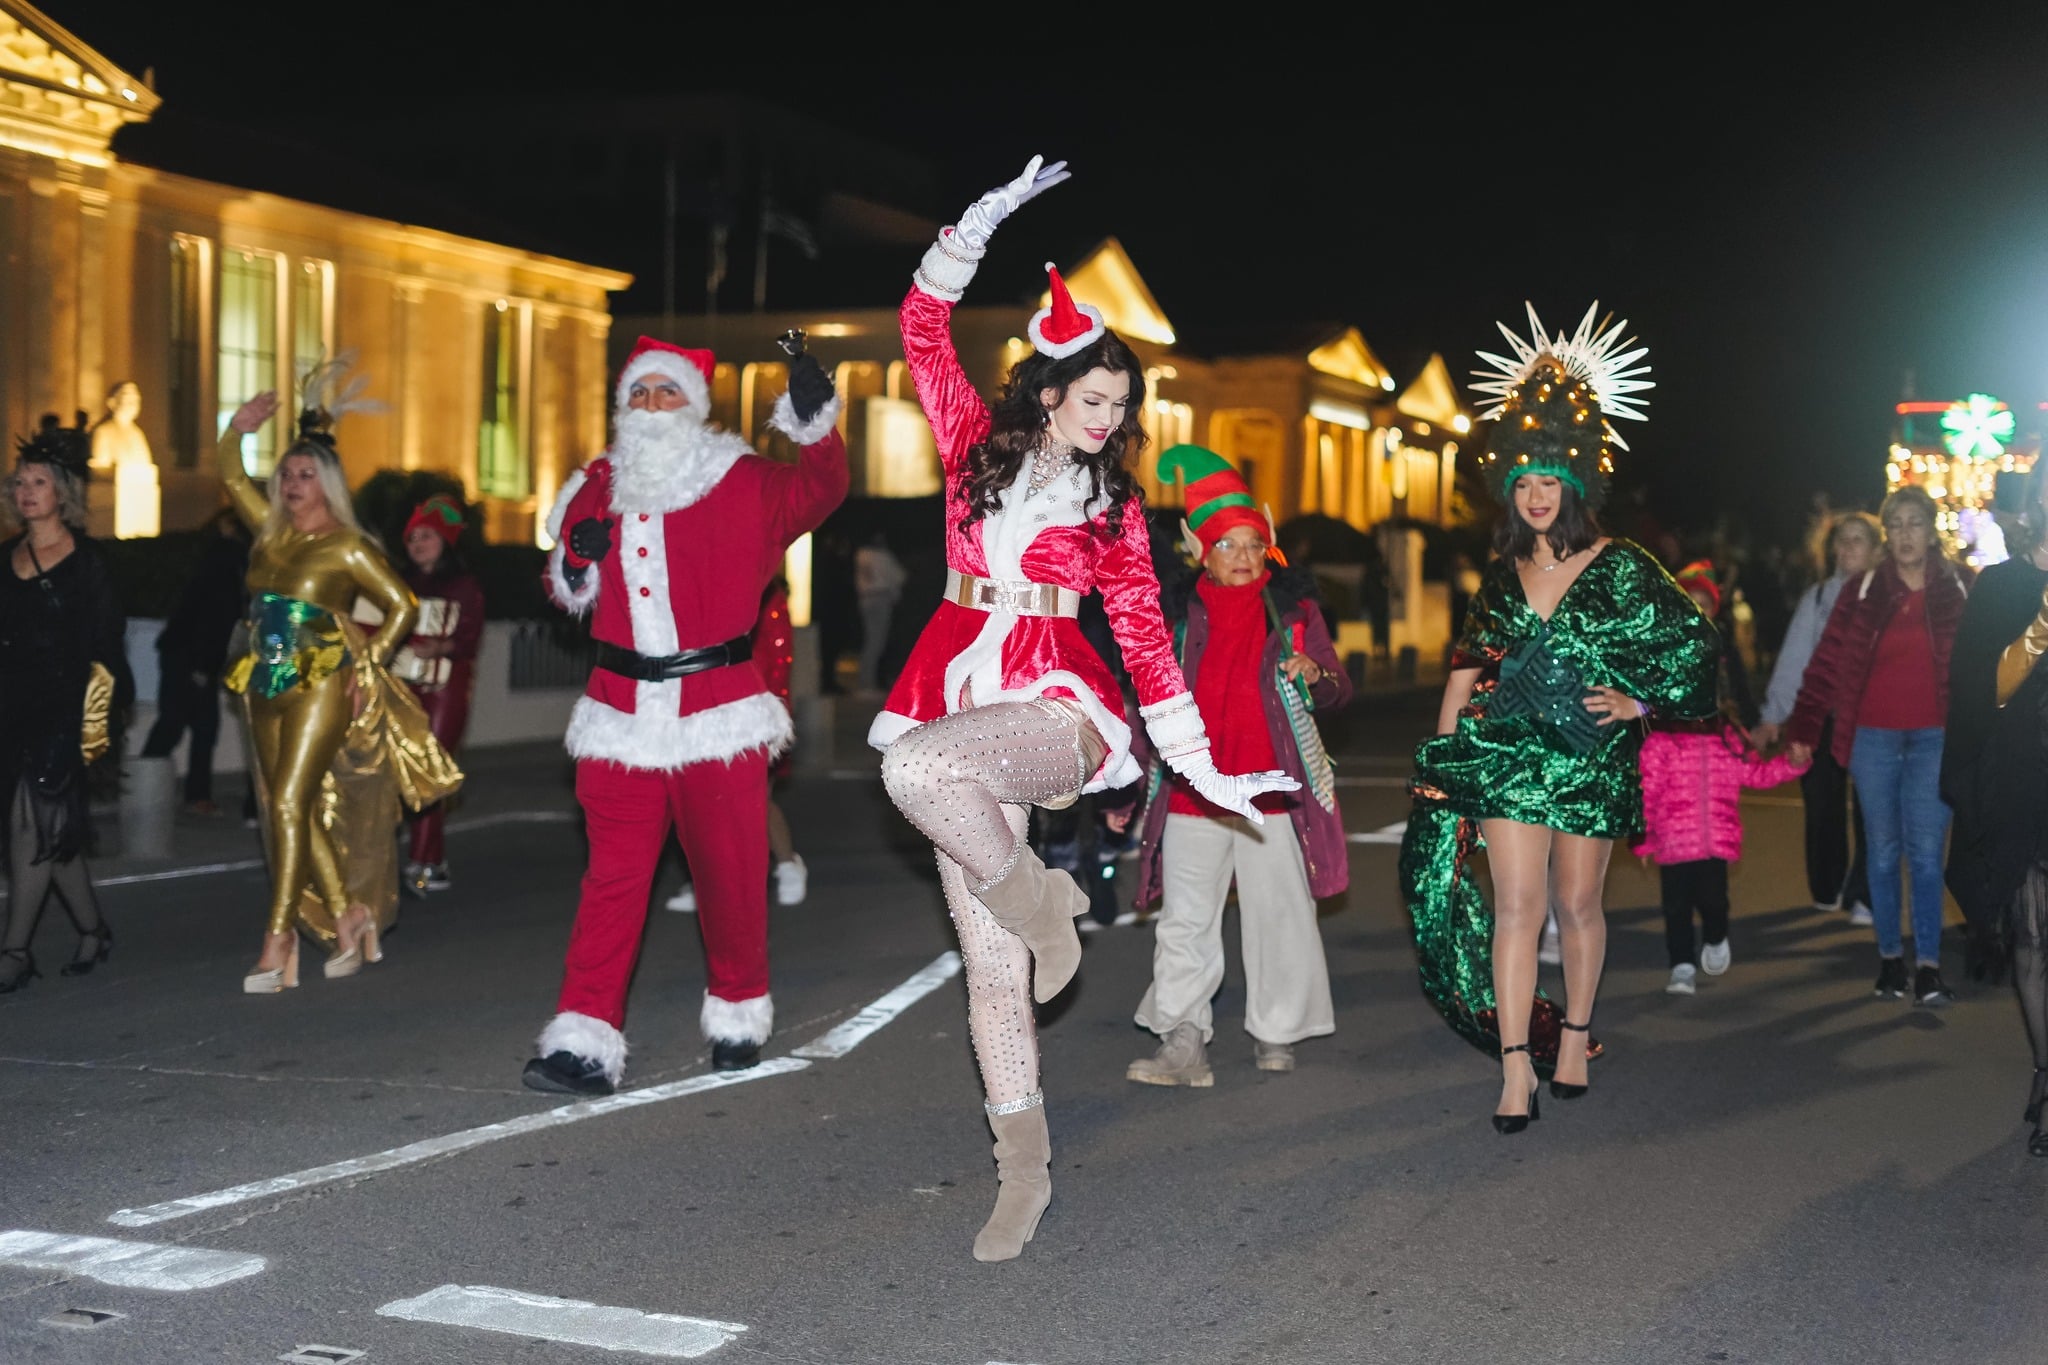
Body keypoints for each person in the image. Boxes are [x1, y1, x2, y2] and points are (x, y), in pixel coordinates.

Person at [870, 156, 1297, 1260]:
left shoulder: (1115, 508)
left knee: (912, 772)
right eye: (1094, 399)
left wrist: (1200, 768)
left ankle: (1042, 896)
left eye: (1122, 405)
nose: (1110, 419)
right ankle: (1022, 1171)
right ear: (1048, 389)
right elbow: (921, 323)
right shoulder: (968, 443)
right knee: (991, 964)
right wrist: (978, 223)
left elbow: (1149, 643)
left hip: (1056, 703)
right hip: (958, 675)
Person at [1398, 301, 1719, 1134]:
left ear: (1575, 484)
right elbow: (1467, 669)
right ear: (1509, 489)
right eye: (1524, 484)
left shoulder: (1622, 566)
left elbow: (1694, 645)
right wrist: (1443, 761)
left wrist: (1639, 702)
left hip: (1589, 760)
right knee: (1517, 907)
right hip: (1507, 758)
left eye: (1550, 482)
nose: (1537, 496)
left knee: (1578, 905)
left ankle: (1574, 1034)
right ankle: (1514, 1067)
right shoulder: (1502, 572)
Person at [521, 333, 847, 1095]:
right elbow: (566, 579)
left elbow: (820, 492)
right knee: (612, 881)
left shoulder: (741, 477)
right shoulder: (597, 484)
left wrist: (815, 422)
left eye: (666, 392)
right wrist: (575, 559)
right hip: (619, 716)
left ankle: (738, 1009)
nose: (651, 405)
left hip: (718, 712)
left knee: (730, 876)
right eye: (638, 393)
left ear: (694, 406)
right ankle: (584, 1037)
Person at [219, 361, 461, 994]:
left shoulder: (346, 545)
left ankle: (277, 943)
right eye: (287, 473)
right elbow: (227, 473)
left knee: (292, 802)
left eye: (306, 474)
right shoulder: (270, 536)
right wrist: (238, 430)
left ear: (326, 483)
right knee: (281, 806)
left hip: (323, 677)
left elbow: (403, 606)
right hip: (265, 681)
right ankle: (348, 915)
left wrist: (369, 661)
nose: (292, 482)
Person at [1123, 444, 1352, 1084]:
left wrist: (1317, 675)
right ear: (1200, 548)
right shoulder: (1173, 616)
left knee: (1278, 913)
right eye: (1228, 545)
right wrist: (1125, 791)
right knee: (1184, 921)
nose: (1244, 558)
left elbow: (1337, 686)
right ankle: (1183, 1037)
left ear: (1269, 543)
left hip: (1270, 794)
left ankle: (1276, 1030)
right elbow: (1147, 705)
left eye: (1253, 544)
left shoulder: (1294, 611)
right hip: (1196, 791)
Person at [1787, 484, 1972, 1006]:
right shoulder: (1863, 590)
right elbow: (1824, 664)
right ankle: (1891, 959)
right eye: (1898, 525)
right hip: (1872, 739)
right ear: (1887, 535)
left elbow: (1985, 668)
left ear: (1931, 529)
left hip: (1935, 738)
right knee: (1885, 853)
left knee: (1927, 853)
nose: (1907, 534)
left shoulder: (1959, 586)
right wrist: (1803, 730)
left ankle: (1930, 965)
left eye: (1916, 523)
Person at [1635, 560, 1809, 995]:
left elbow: (1758, 773)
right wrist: (1643, 838)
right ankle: (1681, 965)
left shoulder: (1726, 736)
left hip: (1714, 839)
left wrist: (1793, 761)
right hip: (1674, 843)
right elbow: (1646, 791)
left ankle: (1715, 935)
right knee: (1675, 905)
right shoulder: (1660, 742)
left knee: (1713, 900)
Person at [0, 429, 132, 992]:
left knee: (29, 825)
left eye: (39, 482)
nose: (26, 492)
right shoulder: (4, 558)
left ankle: (14, 952)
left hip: (66, 710)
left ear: (64, 493)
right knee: (52, 837)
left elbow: (108, 647)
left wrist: (97, 725)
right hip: (12, 710)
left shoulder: (88, 562)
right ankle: (93, 929)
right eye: (20, 482)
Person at [1751, 510, 1881, 923]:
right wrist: (1775, 716)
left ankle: (1865, 892)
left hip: (1873, 719)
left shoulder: (1888, 598)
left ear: (1877, 549)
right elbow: (1794, 660)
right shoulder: (1820, 597)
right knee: (1821, 803)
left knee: (1872, 809)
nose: (1847, 547)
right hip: (1821, 717)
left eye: (1858, 539)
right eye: (1842, 539)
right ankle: (1828, 884)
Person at [666, 575, 808, 913]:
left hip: (755, 713)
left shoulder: (769, 600)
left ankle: (788, 863)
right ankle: (707, 884)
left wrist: (773, 719)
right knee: (701, 805)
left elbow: (779, 664)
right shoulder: (710, 593)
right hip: (708, 711)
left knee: (756, 800)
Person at [392, 494, 486, 895]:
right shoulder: (400, 584)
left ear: (445, 541)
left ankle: (425, 860)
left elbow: (471, 637)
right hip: (405, 687)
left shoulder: (463, 586)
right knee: (406, 772)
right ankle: (428, 858)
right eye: (413, 538)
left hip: (446, 688)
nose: (418, 544)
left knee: (427, 772)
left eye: (427, 536)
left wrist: (441, 648)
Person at [141, 507, 251, 815]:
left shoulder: (213, 557)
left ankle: (150, 788)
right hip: (191, 657)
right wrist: (203, 666)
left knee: (184, 725)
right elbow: (216, 617)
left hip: (183, 653)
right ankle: (160, 790)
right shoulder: (229, 561)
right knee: (186, 725)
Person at [853, 530, 906, 693]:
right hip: (880, 598)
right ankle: (866, 683)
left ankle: (866, 681)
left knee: (871, 641)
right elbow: (899, 576)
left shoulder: (861, 554)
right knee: (876, 642)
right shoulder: (882, 556)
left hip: (865, 598)